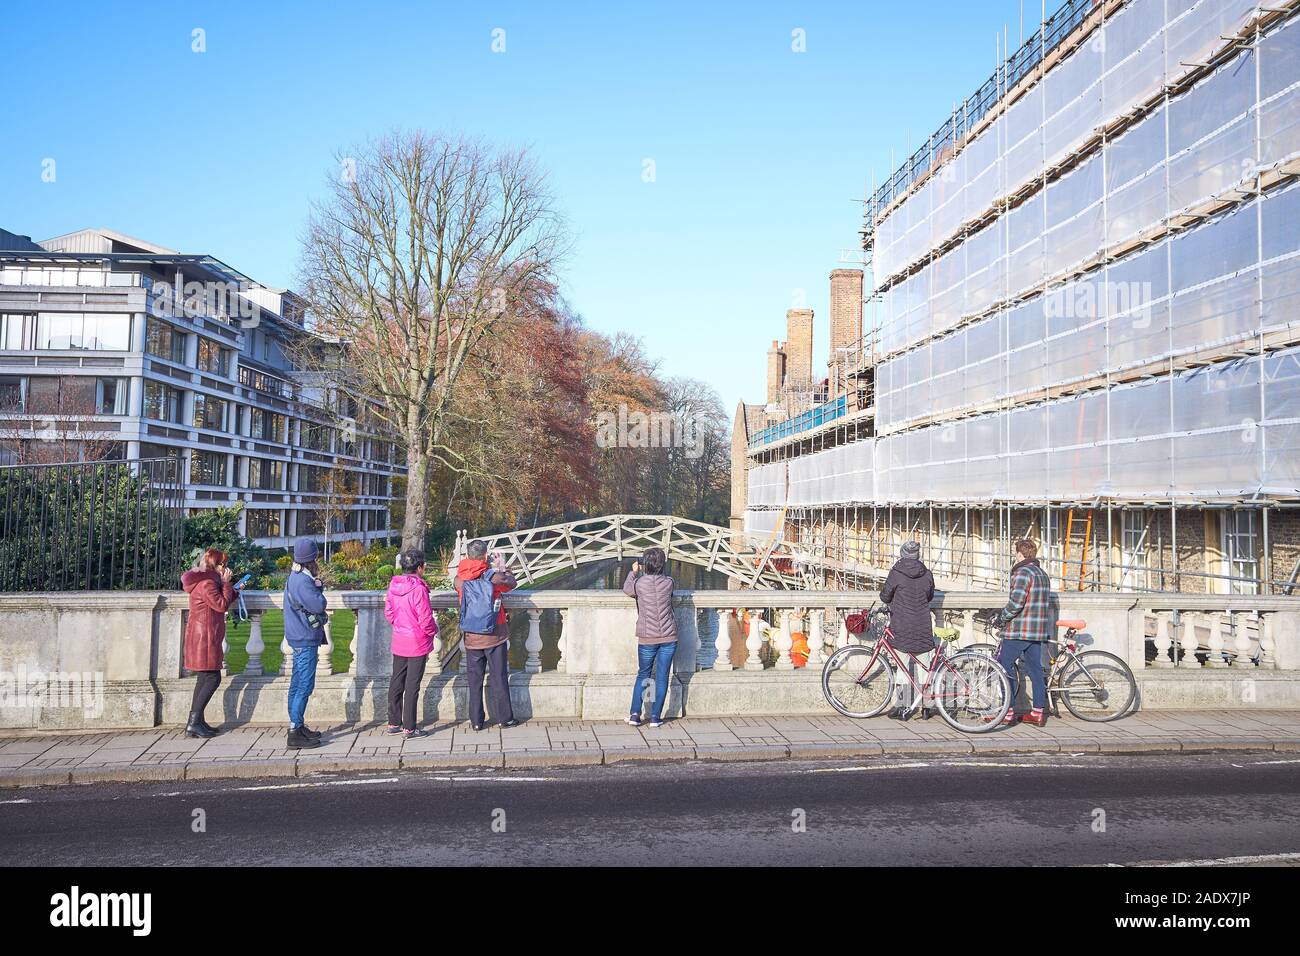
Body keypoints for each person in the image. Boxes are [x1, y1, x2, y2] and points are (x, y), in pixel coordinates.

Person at [455, 540, 520, 732]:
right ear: (485, 556)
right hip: (494, 634)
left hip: (472, 636)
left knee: (474, 681)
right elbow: (511, 583)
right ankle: (504, 719)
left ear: (467, 555)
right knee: (499, 677)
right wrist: (503, 568)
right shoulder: (492, 577)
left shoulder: (459, 579)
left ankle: (476, 721)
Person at [994, 538, 1054, 726]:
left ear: (1019, 553)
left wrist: (1001, 618)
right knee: (1036, 670)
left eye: (1015, 552)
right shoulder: (1042, 574)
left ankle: (1007, 712)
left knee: (1004, 666)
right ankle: (1037, 712)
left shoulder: (1022, 573)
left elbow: (1016, 604)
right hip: (1037, 630)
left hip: (1019, 630)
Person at [180, 548, 237, 738]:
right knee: (213, 678)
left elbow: (221, 598)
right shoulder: (206, 584)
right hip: (204, 638)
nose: (225, 568)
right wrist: (227, 584)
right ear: (215, 565)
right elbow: (221, 604)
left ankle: (197, 722)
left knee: (205, 678)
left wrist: (233, 589)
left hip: (202, 637)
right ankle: (194, 723)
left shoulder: (206, 581)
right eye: (223, 564)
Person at [879, 540, 937, 721]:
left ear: (902, 554)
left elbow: (885, 595)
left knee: (903, 668)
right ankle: (927, 706)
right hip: (922, 624)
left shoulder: (896, 573)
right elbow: (930, 596)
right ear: (917, 555)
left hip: (902, 625)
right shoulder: (926, 574)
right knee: (925, 667)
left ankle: (902, 705)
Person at [384, 547, 437, 738]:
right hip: (417, 642)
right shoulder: (419, 589)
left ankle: (393, 722)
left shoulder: (393, 585)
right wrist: (433, 631)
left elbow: (389, 613)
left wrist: (400, 625)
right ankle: (409, 727)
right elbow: (425, 619)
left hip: (400, 638)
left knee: (397, 681)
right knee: (412, 685)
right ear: (420, 567)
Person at [622, 547, 677, 728]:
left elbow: (627, 589)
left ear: (645, 564)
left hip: (647, 637)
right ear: (662, 565)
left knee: (643, 674)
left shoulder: (639, 584)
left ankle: (635, 715)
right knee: (661, 677)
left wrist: (633, 571)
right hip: (669, 636)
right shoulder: (669, 582)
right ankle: (655, 717)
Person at [283, 537, 328, 749]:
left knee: (296, 683)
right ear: (312, 559)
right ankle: (294, 731)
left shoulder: (296, 576)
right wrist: (319, 589)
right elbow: (318, 605)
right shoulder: (303, 581)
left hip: (297, 635)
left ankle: (298, 726)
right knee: (304, 686)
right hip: (304, 636)